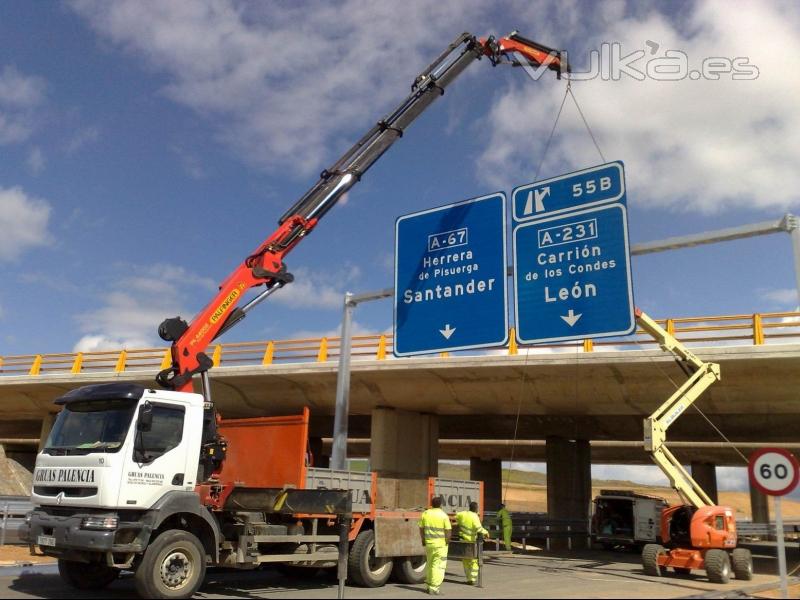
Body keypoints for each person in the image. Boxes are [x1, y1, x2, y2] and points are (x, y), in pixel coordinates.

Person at [418, 496, 452, 595]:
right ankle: (434, 588)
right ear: (440, 504)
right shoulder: (443, 515)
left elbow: (421, 528)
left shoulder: (425, 513)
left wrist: (423, 540)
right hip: (440, 545)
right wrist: (447, 541)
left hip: (429, 544)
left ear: (431, 504)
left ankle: (428, 585)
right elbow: (448, 531)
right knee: (439, 566)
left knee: (430, 564)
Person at [455, 501, 488, 585]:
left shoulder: (463, 514)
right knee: (473, 560)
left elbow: (456, 515)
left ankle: (468, 578)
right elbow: (479, 528)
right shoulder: (474, 516)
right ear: (476, 509)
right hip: (471, 542)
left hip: (462, 541)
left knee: (465, 560)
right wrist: (486, 532)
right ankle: (472, 579)